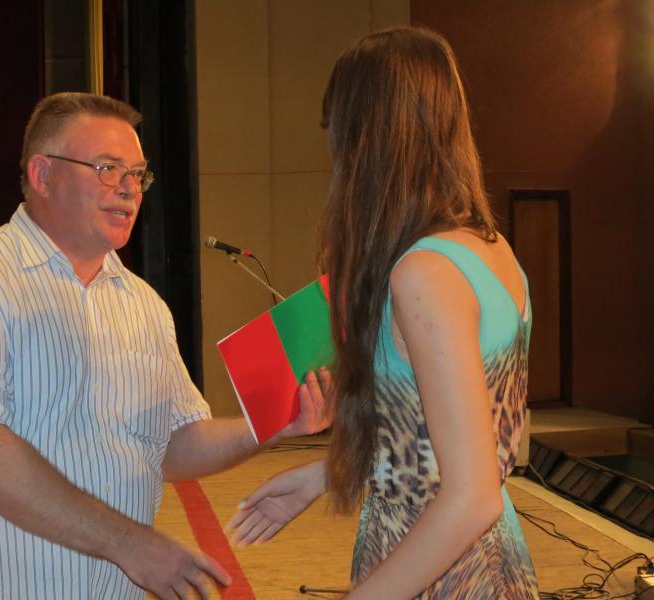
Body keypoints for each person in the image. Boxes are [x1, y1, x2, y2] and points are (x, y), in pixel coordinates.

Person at [0, 92, 330, 600]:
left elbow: (173, 445)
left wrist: (270, 421)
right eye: (107, 169)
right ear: (42, 175)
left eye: (138, 174)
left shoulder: (143, 305)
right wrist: (128, 543)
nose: (128, 189)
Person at [227, 28, 539, 599]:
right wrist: (324, 476)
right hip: (468, 558)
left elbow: (471, 498)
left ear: (365, 137)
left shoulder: (424, 274)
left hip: (441, 567)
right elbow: (457, 444)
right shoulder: (490, 250)